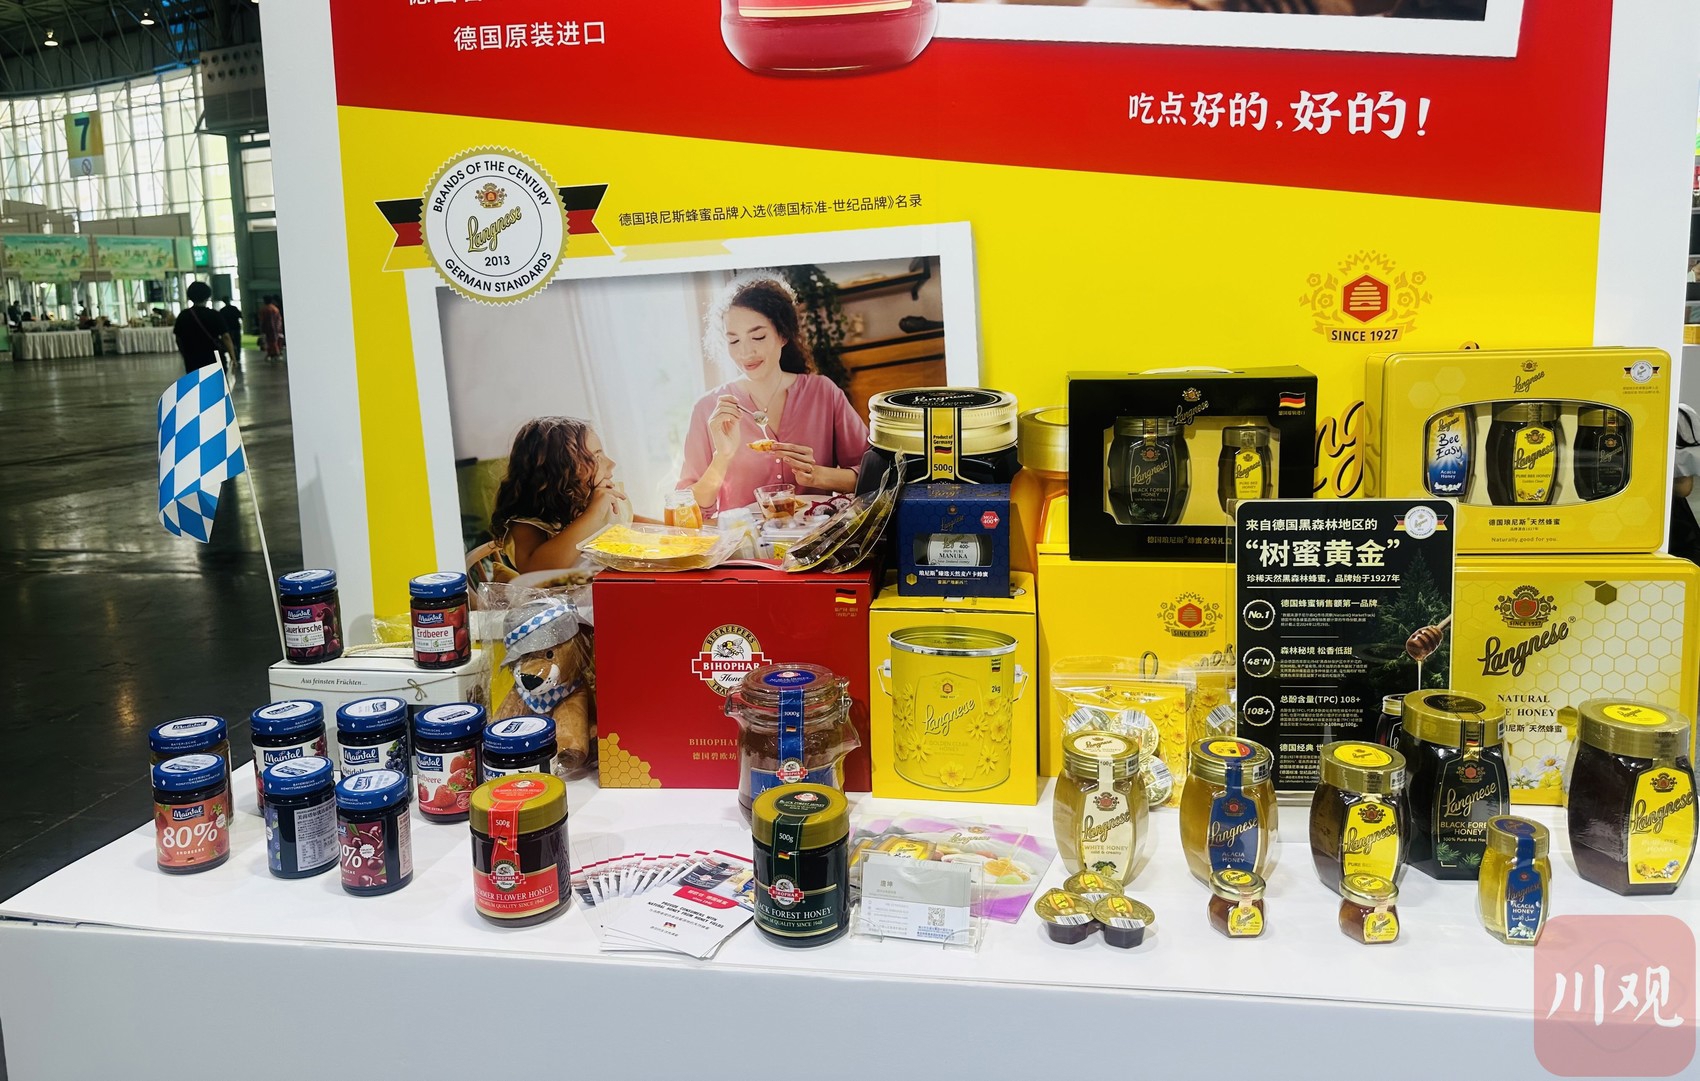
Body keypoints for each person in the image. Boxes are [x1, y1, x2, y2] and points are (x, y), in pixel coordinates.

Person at [677, 274, 868, 514]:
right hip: (744, 538)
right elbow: (687, 507)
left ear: (783, 334)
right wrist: (722, 457)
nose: (746, 352)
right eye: (734, 341)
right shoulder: (708, 409)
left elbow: (874, 475)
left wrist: (818, 476)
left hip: (816, 535)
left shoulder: (823, 393)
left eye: (758, 337)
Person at [490, 417, 632, 575]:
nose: (612, 463)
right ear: (563, 471)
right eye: (597, 457)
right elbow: (535, 572)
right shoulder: (528, 524)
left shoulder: (587, 500)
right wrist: (594, 513)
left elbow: (625, 522)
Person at [173, 281, 235, 377]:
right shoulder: (214, 315)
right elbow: (226, 337)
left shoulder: (183, 315)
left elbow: (178, 338)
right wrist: (233, 357)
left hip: (192, 359)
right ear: (208, 296)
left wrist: (185, 354)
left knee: (196, 384)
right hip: (214, 358)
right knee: (216, 384)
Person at [258, 295, 284, 360]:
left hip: (267, 328)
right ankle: (275, 354)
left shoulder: (264, 309)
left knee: (270, 342)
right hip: (276, 328)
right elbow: (279, 319)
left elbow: (262, 320)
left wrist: (261, 329)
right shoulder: (275, 309)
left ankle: (274, 354)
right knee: (275, 341)